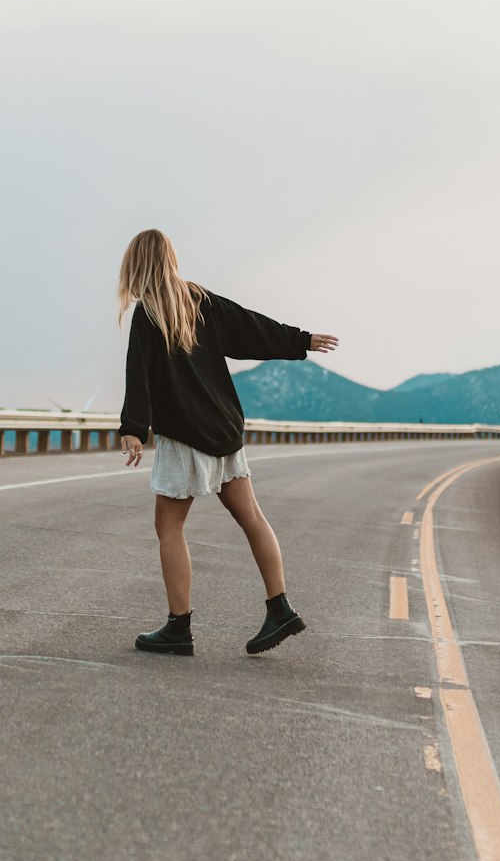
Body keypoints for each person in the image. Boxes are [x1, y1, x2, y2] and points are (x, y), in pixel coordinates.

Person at [116, 228, 339, 657]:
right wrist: (300, 340)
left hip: (186, 436)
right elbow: (250, 327)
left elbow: (138, 373)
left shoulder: (149, 313)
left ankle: (178, 628)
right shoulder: (200, 300)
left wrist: (133, 426)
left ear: (137, 264)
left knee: (168, 527)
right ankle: (280, 607)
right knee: (252, 516)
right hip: (225, 429)